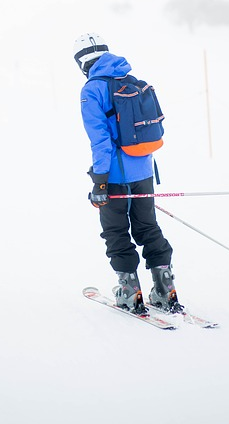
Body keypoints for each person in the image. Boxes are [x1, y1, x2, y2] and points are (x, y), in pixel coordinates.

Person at [74, 32, 182, 314]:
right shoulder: (131, 81)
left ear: (82, 62)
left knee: (116, 231)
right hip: (144, 170)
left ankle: (129, 292)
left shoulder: (91, 90)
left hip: (114, 176)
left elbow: (100, 141)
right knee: (147, 227)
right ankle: (165, 289)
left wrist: (100, 182)